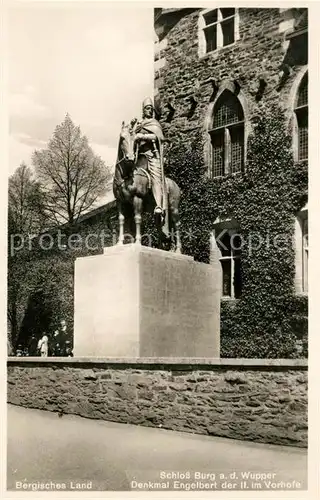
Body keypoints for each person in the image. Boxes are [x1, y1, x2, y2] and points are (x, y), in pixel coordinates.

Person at [134, 97, 166, 217]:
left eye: (151, 108)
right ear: (143, 110)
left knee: (156, 176)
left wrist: (142, 136)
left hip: (151, 155)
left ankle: (158, 205)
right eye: (147, 108)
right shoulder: (140, 124)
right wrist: (133, 130)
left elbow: (160, 138)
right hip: (139, 155)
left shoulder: (155, 123)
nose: (150, 111)